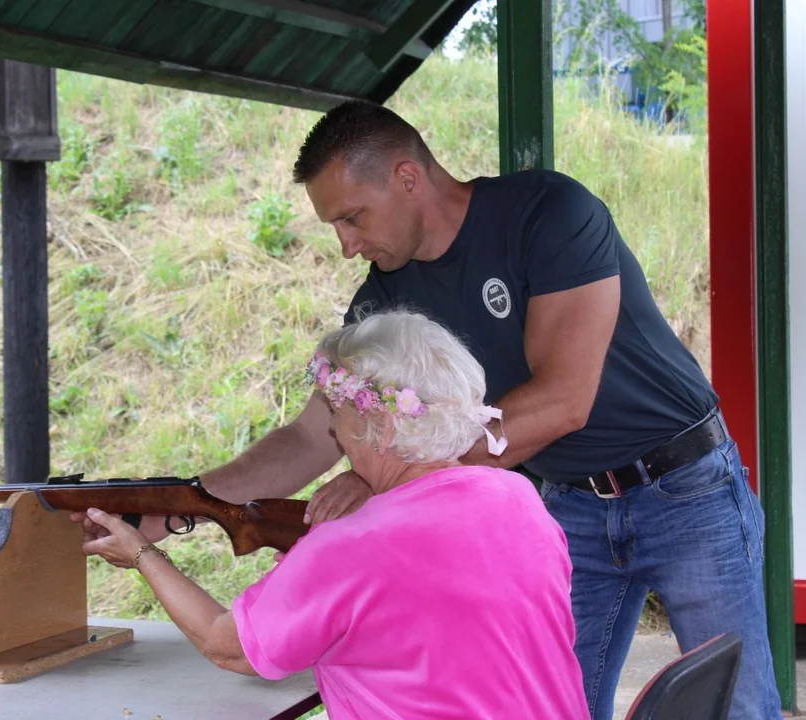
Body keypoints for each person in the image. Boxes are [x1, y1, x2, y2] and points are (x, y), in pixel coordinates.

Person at [80, 101, 781, 719]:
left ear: (407, 178)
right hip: (566, 501)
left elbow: (565, 398)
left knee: (741, 704)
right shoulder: (385, 299)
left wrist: (403, 476)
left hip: (683, 485)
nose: (346, 244)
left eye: (352, 217)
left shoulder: (548, 214)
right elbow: (309, 436)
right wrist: (186, 503)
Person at [74, 310, 589, 719]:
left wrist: (142, 553)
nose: (336, 435)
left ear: (381, 427)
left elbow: (226, 646)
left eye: (337, 415)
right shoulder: (520, 500)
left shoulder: (352, 544)